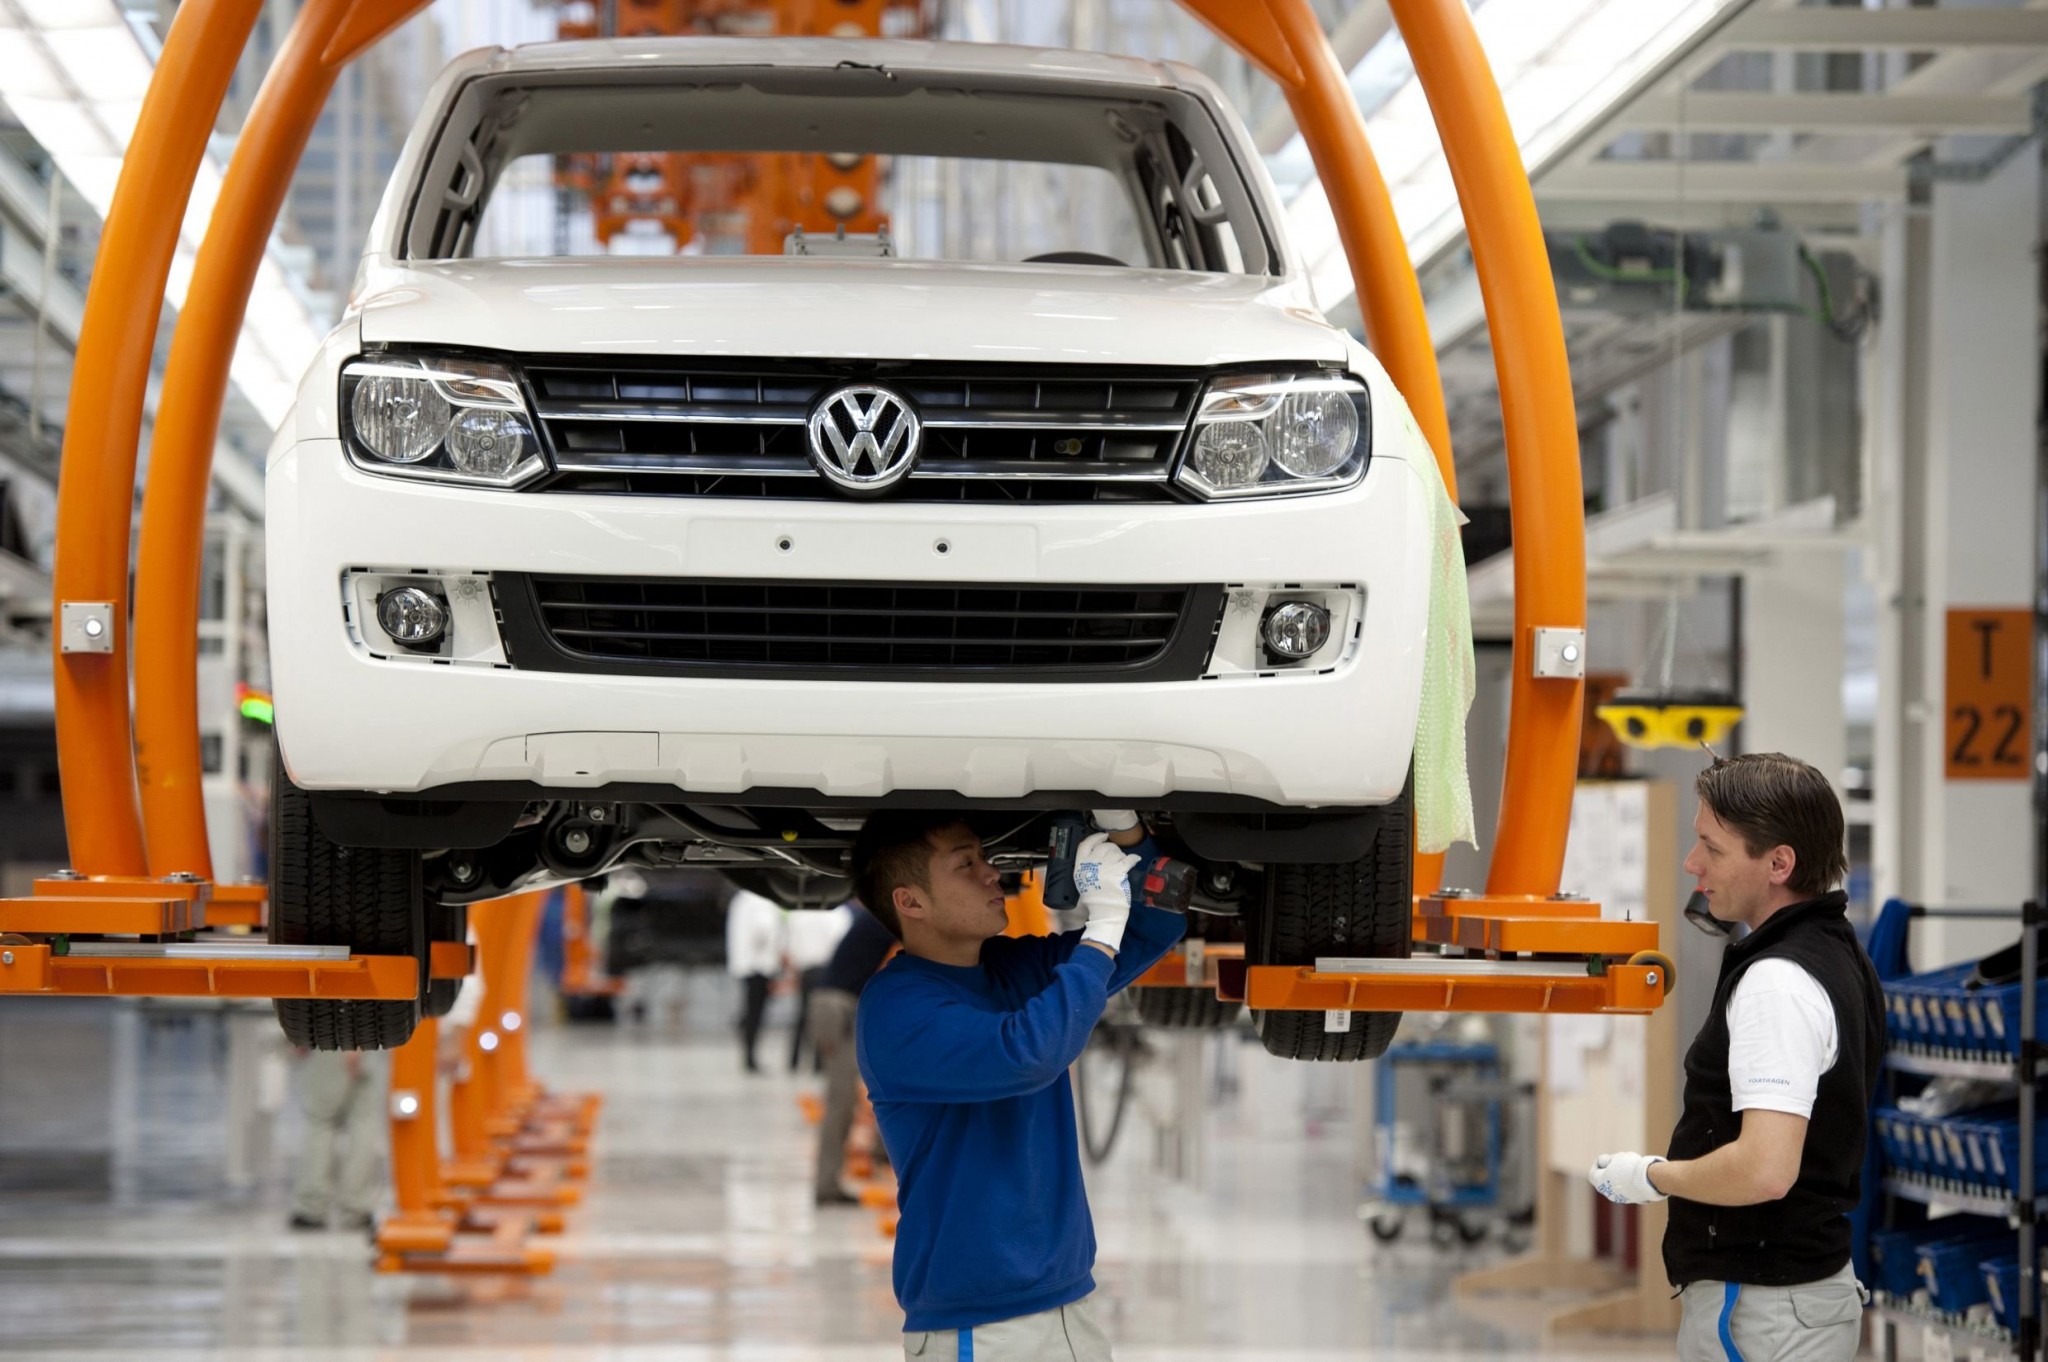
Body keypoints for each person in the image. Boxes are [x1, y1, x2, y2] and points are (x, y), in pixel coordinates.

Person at [853, 808, 1184, 1361]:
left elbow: (1156, 927)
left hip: (1068, 1300)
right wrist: (1100, 929)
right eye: (965, 865)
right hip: (981, 1325)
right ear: (910, 902)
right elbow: (1028, 1054)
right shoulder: (897, 1009)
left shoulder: (1007, 968)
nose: (992, 873)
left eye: (983, 858)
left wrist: (1123, 824)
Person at [1589, 753, 1883, 1362]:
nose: (1692, 863)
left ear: (1779, 863)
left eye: (1712, 848)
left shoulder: (1778, 983)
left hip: (1763, 1309)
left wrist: (1649, 1176)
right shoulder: (1839, 951)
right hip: (1794, 1299)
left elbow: (1764, 1169)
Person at [810, 897, 897, 1205]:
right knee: (841, 1100)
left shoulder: (878, 916)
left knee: (883, 1081)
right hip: (837, 1007)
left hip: (842, 1004)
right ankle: (826, 1185)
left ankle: (880, 1152)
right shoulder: (886, 916)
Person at [288, 1047, 388, 1232]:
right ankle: (357, 1207)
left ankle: (312, 1206)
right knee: (363, 1125)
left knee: (321, 1123)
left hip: (330, 1042)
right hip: (370, 1044)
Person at [787, 901, 855, 1073]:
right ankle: (818, 1062)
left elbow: (790, 944)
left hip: (806, 969)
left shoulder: (798, 914)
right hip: (826, 969)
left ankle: (794, 1060)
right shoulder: (838, 914)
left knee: (804, 1014)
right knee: (822, 1016)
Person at [725, 886, 787, 1073]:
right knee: (756, 1015)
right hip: (759, 966)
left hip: (747, 964)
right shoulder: (760, 900)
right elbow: (763, 929)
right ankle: (751, 1058)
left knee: (751, 1012)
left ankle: (749, 1055)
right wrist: (771, 956)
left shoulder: (741, 899)